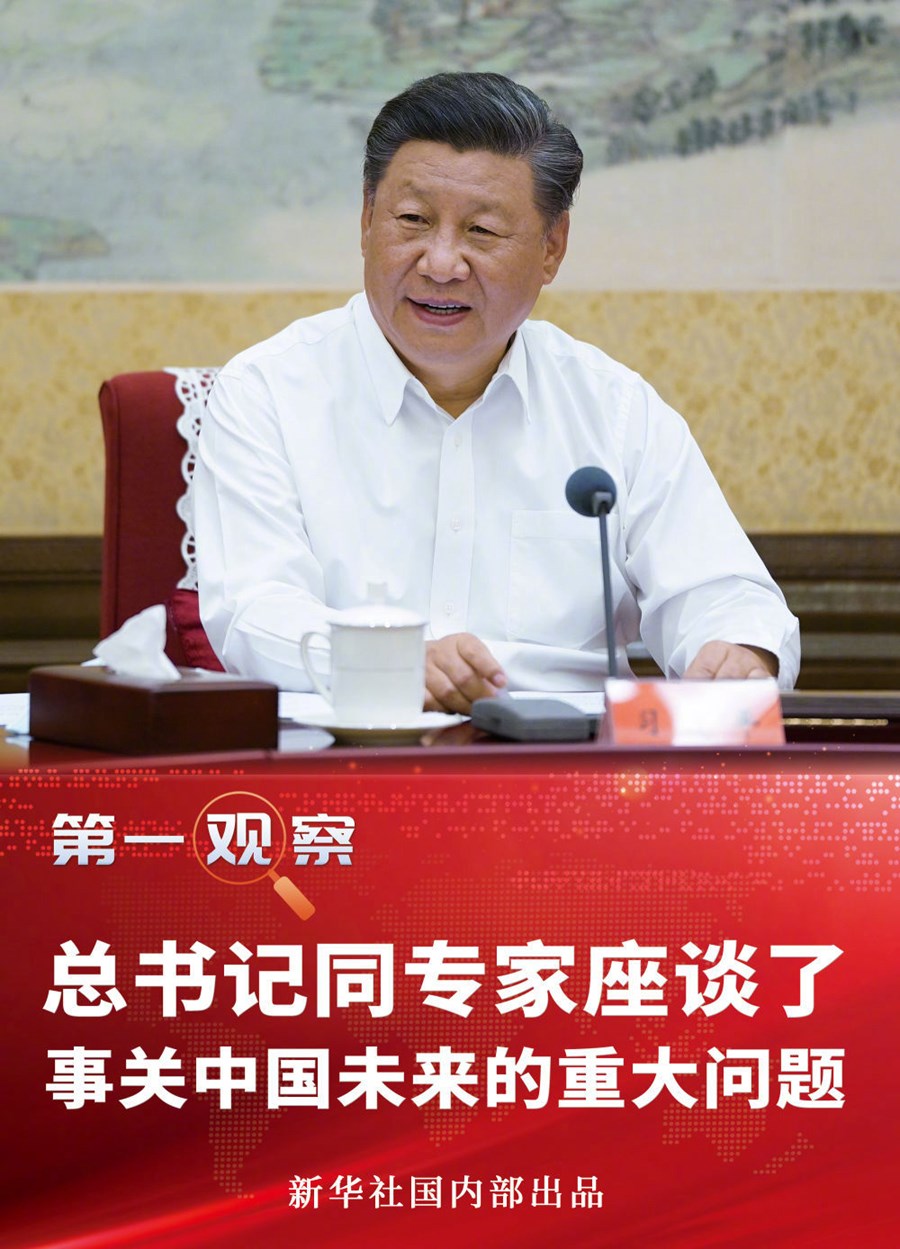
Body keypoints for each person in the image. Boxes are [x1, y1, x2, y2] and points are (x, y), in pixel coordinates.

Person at [193, 71, 799, 713]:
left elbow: (721, 591)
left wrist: (738, 651)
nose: (441, 263)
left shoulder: (615, 410)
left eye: (481, 231)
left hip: (567, 754)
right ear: (367, 221)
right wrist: (391, 660)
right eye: (412, 220)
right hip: (351, 742)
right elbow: (254, 612)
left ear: (552, 248)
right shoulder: (266, 393)